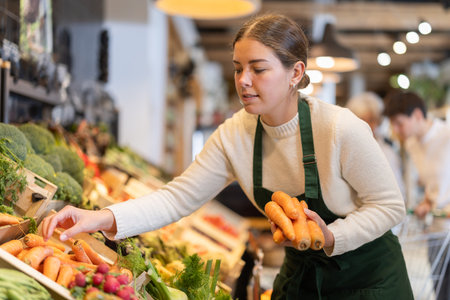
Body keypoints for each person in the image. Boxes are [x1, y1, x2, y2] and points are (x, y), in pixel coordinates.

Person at [42, 14, 413, 299]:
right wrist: (101, 216)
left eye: (258, 69)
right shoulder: (236, 134)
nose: (244, 81)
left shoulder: (339, 129)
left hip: (370, 280)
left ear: (295, 73)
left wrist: (332, 236)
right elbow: (177, 198)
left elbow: (390, 206)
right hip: (302, 278)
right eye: (238, 68)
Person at [384, 89, 450, 300]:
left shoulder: (446, 135)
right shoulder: (412, 144)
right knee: (440, 289)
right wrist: (426, 202)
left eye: (400, 123)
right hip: (436, 229)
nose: (395, 129)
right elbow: (435, 185)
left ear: (418, 116)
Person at [346, 91, 405, 198]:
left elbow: (398, 190)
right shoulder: (345, 149)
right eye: (362, 119)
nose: (368, 125)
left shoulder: (387, 152)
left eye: (372, 120)